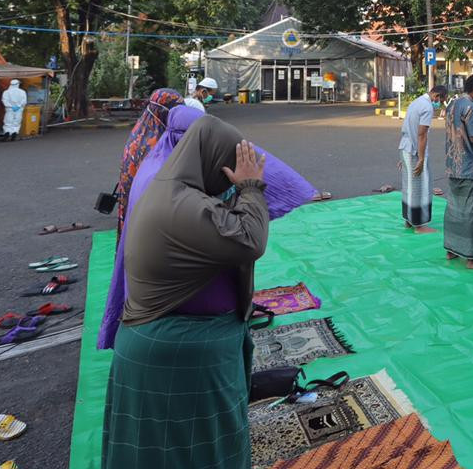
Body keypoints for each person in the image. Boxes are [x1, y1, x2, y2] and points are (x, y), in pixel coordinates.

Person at [101, 117, 268, 469]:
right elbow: (251, 240)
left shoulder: (172, 188)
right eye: (228, 168)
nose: (229, 181)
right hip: (176, 352)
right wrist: (252, 187)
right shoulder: (182, 204)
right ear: (211, 161)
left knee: (173, 460)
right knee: (188, 461)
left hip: (171, 345)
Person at [97, 105, 315, 350]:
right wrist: (251, 187)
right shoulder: (179, 199)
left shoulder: (164, 170)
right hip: (176, 328)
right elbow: (249, 241)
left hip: (162, 313)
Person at [114, 89, 183, 235]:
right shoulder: (153, 142)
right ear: (161, 110)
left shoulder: (143, 129)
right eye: (175, 110)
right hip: (144, 204)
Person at [444, 74, 473, 267]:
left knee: (455, 208)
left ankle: (452, 249)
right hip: (469, 166)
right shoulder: (471, 107)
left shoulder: (451, 105)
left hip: (453, 164)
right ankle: (472, 258)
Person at [399, 84, 449, 234]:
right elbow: (422, 135)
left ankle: (409, 220)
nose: (439, 105)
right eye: (441, 101)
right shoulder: (427, 107)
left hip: (405, 147)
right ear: (436, 96)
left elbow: (406, 126)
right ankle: (419, 224)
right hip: (414, 150)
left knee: (408, 185)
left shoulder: (416, 101)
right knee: (421, 187)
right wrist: (421, 158)